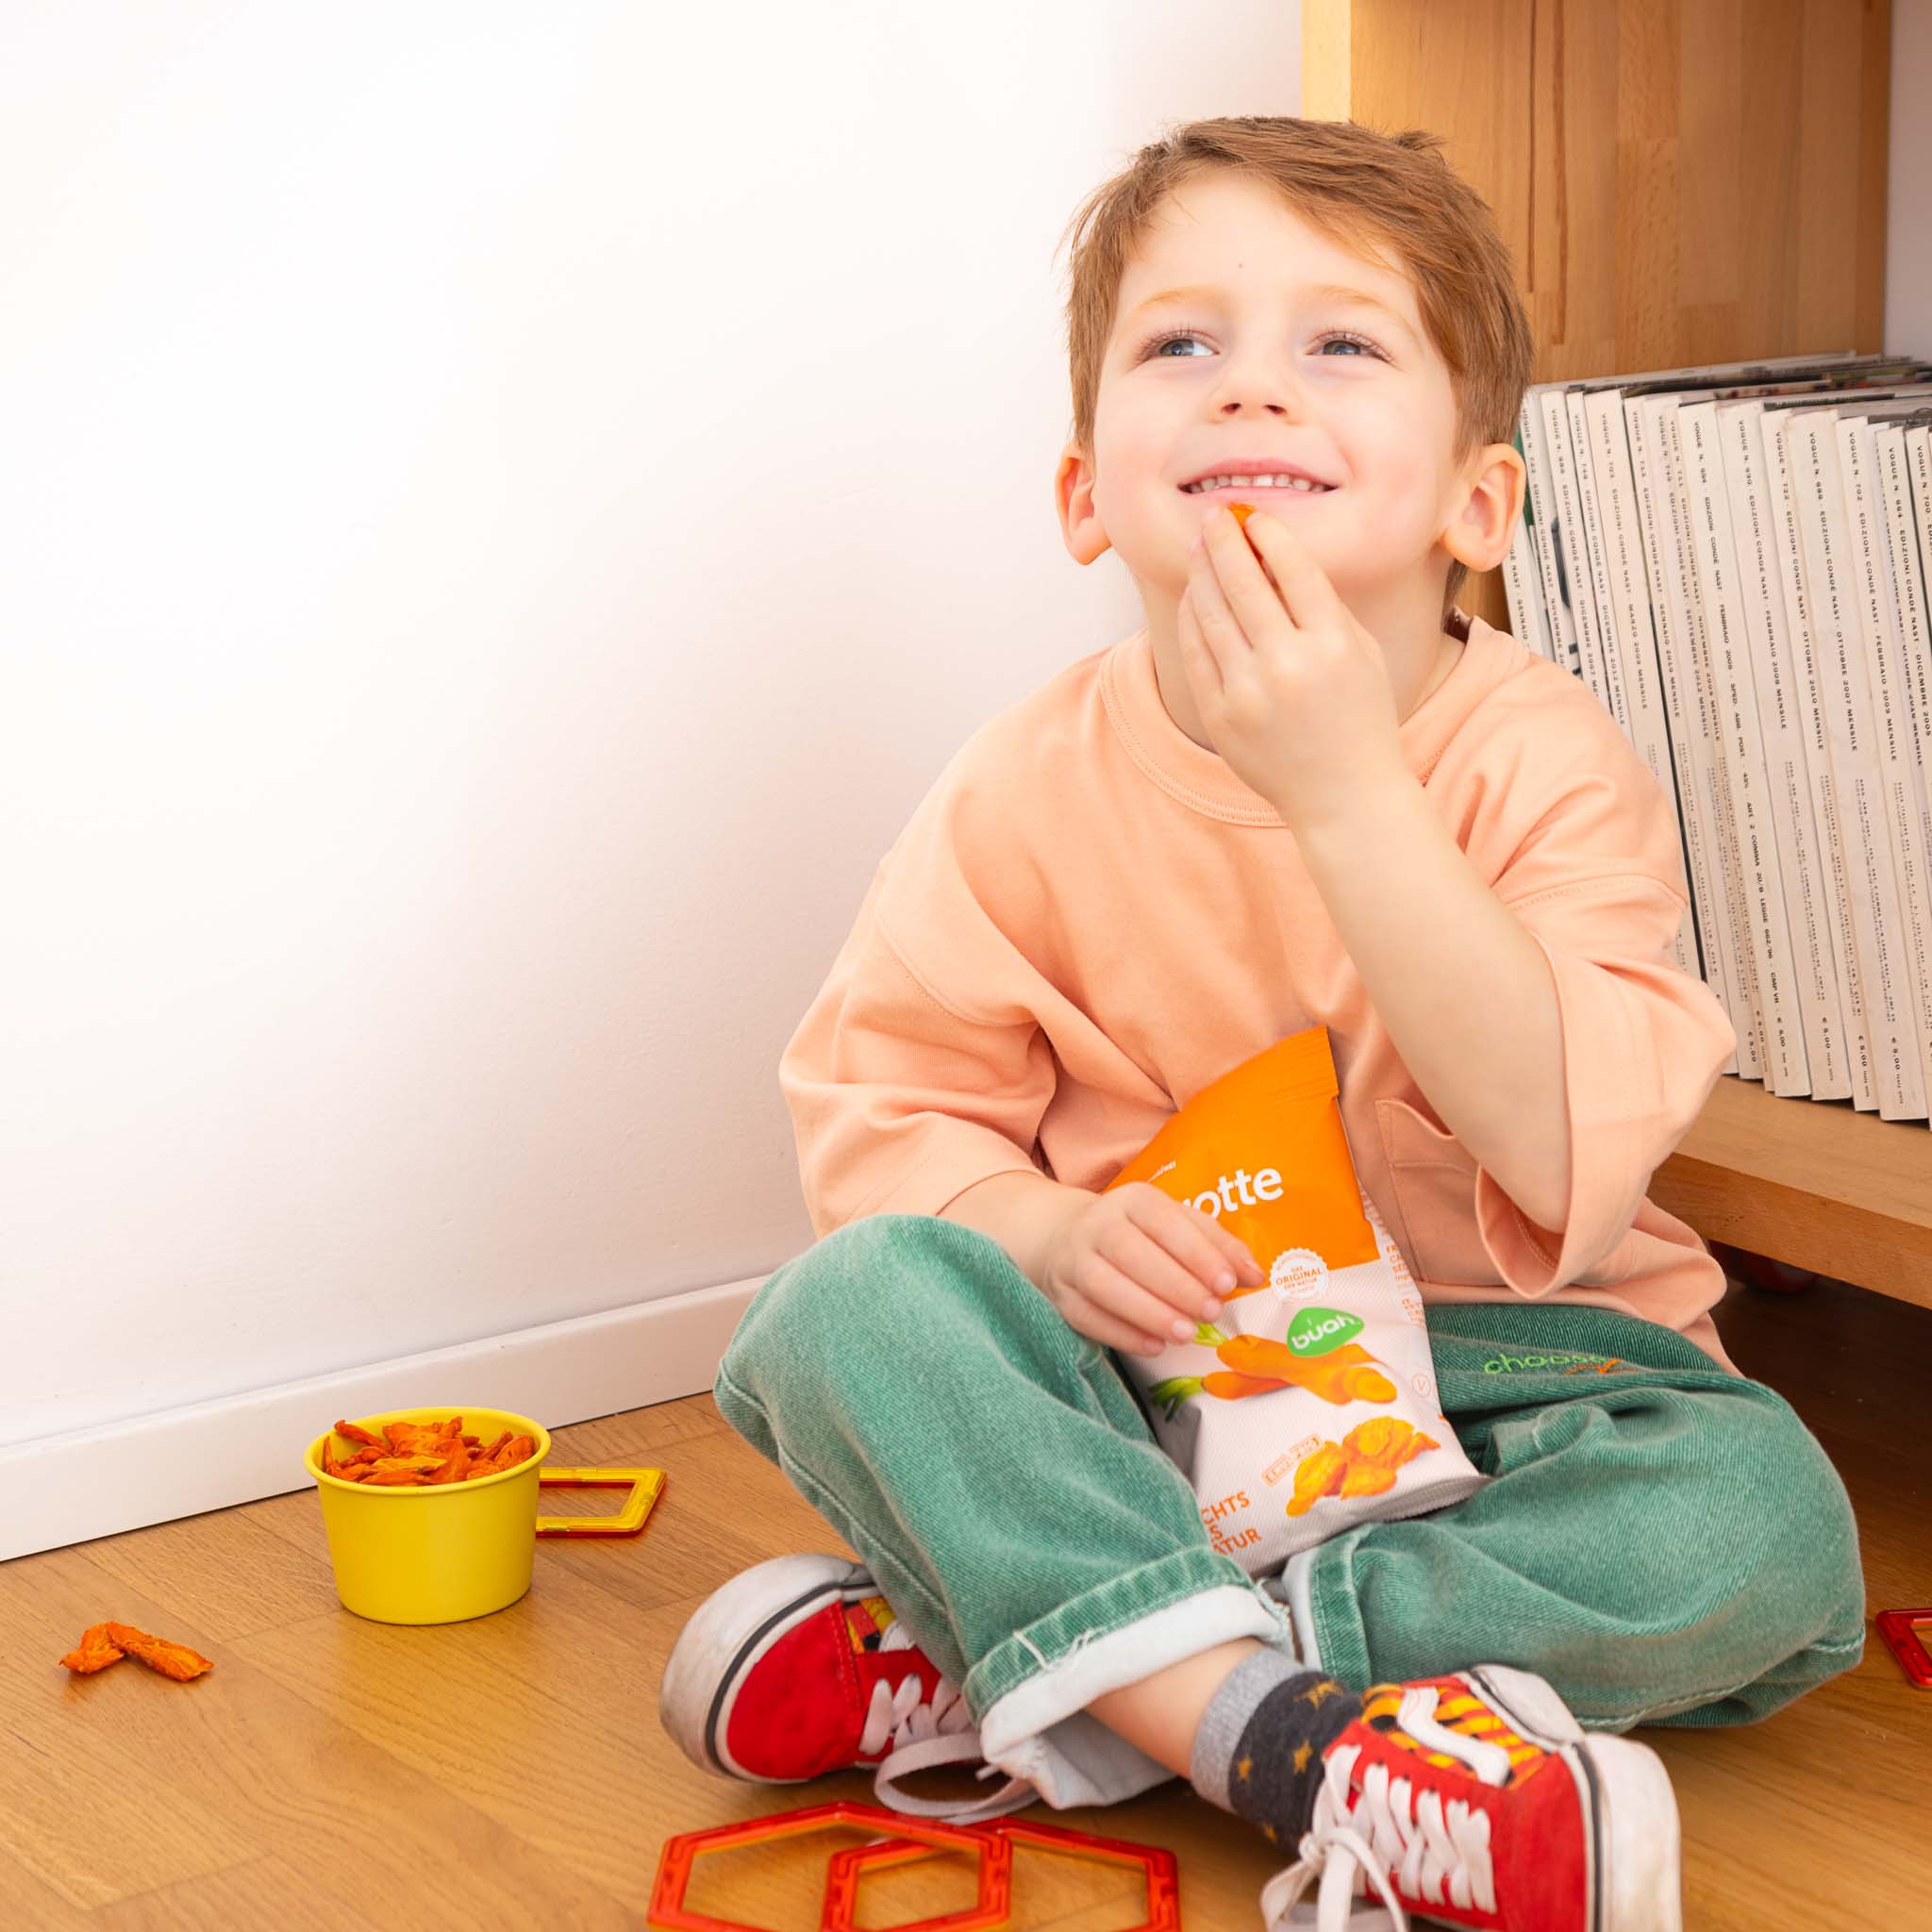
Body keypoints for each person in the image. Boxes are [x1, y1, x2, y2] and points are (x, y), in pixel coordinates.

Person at [658, 117, 1865, 1932]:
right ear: (1085, 493)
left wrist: (1344, 793)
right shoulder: (1022, 785)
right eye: (1183, 345)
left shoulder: (1546, 759)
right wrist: (1050, 1236)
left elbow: (1568, 1157)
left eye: (1341, 346)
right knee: (846, 1305)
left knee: (1757, 1530)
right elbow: (888, 1110)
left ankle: (1046, 1654)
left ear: (1481, 506)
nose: (1253, 394)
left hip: (1512, 1391)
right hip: (1154, 1399)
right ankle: (1283, 1737)